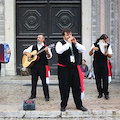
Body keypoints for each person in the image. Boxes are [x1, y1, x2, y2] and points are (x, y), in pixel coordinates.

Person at [55, 28, 87, 112]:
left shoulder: (75, 44)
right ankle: (63, 105)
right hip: (64, 69)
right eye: (67, 35)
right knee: (64, 87)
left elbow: (83, 49)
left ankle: (79, 105)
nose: (69, 36)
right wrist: (68, 43)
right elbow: (59, 51)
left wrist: (75, 43)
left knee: (77, 87)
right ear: (63, 36)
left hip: (74, 68)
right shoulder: (60, 43)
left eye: (70, 35)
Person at [23, 35, 52, 101]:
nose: (38, 39)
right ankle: (33, 94)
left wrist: (47, 51)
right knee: (34, 81)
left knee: (44, 82)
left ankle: (46, 96)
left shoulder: (46, 47)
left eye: (39, 38)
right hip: (34, 66)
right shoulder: (33, 46)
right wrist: (28, 54)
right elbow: (24, 51)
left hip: (42, 66)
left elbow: (49, 57)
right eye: (37, 37)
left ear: (43, 39)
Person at [89, 34, 112, 99]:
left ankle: (106, 93)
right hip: (96, 63)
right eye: (105, 40)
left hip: (104, 63)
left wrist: (107, 54)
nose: (106, 41)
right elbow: (90, 54)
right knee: (98, 79)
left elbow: (110, 55)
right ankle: (100, 92)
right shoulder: (95, 45)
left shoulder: (108, 46)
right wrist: (92, 49)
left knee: (105, 79)